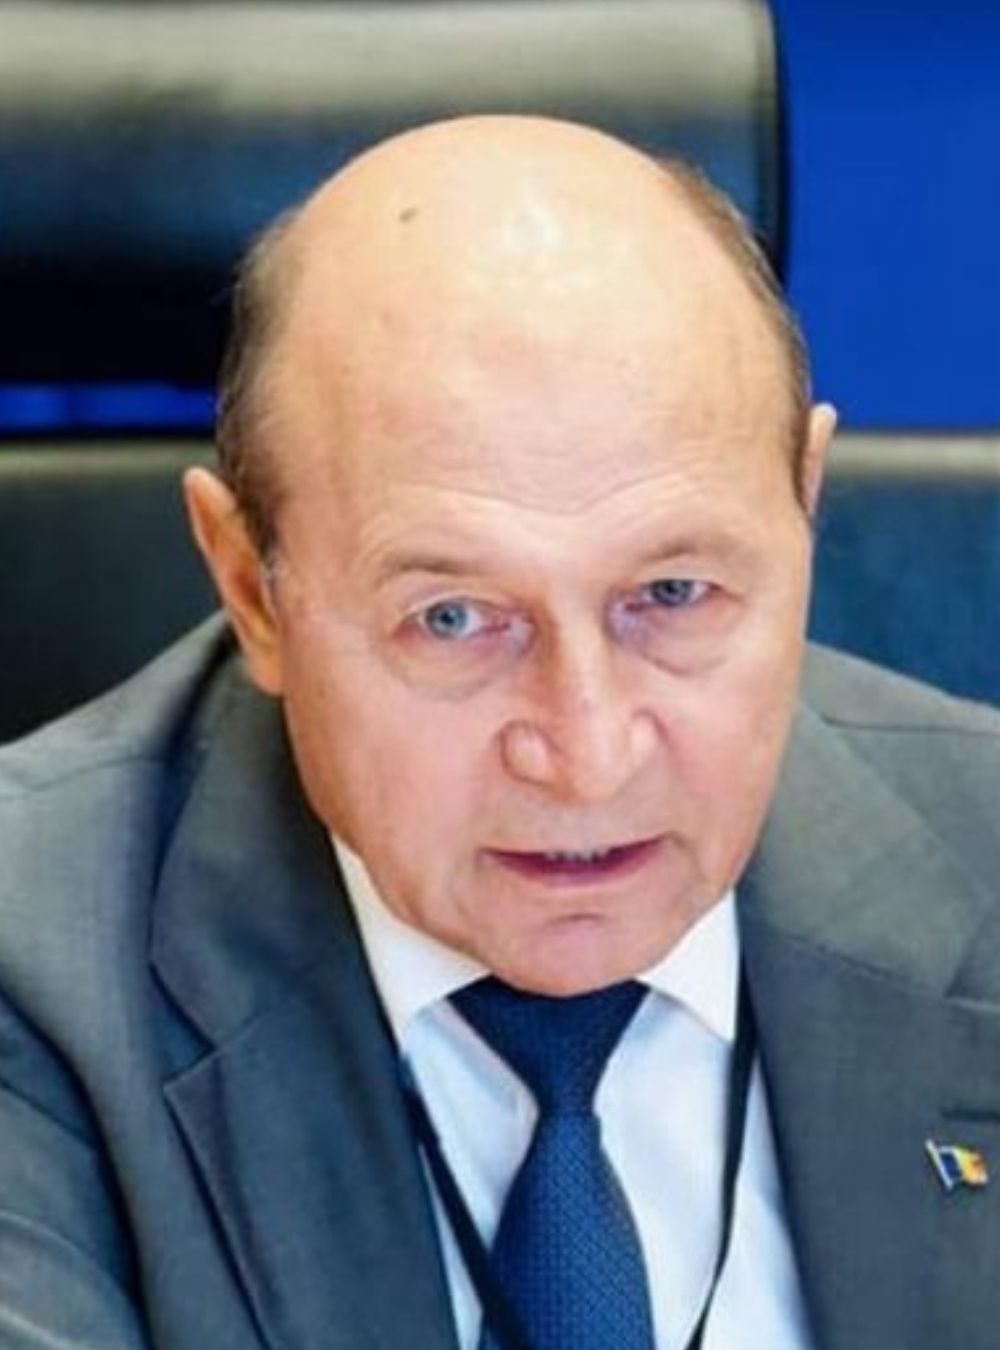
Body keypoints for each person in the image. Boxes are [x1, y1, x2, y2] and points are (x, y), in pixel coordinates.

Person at [0, 115, 998, 1350]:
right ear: (252, 587)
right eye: (454, 618)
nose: (587, 755)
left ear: (804, 502)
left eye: (671, 594)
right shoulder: (32, 964)